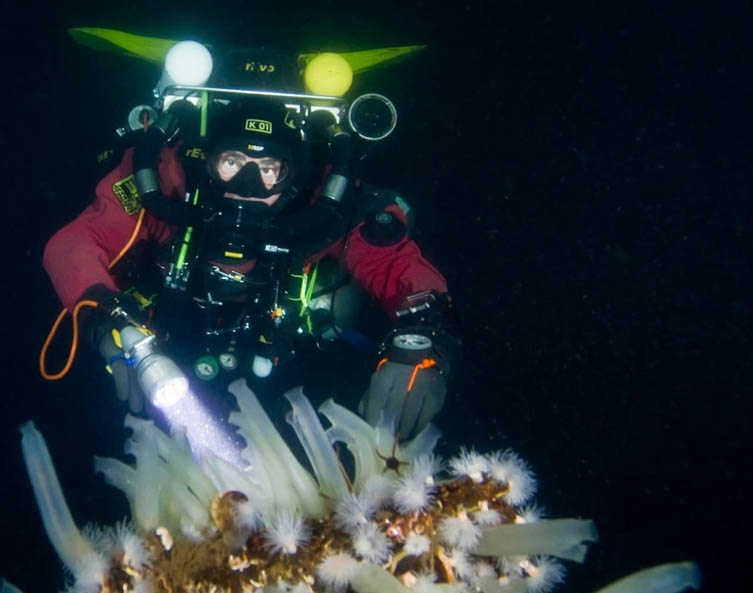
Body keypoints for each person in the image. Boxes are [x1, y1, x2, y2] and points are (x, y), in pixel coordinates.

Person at [42, 94, 460, 441]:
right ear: (208, 163)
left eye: (268, 170)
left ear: (293, 178)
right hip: (163, 347)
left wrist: (421, 342)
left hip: (293, 370)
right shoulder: (170, 187)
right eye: (232, 163)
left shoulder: (321, 212)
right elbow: (74, 245)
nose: (247, 186)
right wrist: (106, 318)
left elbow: (398, 267)